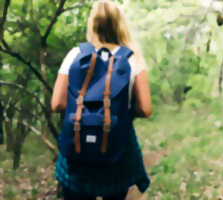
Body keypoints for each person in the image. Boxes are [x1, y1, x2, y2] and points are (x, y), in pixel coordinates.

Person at [51, 0, 152, 199]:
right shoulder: (132, 59)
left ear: (93, 24)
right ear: (120, 24)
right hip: (117, 148)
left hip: (78, 148)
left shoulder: (75, 55)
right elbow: (146, 109)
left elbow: (57, 104)